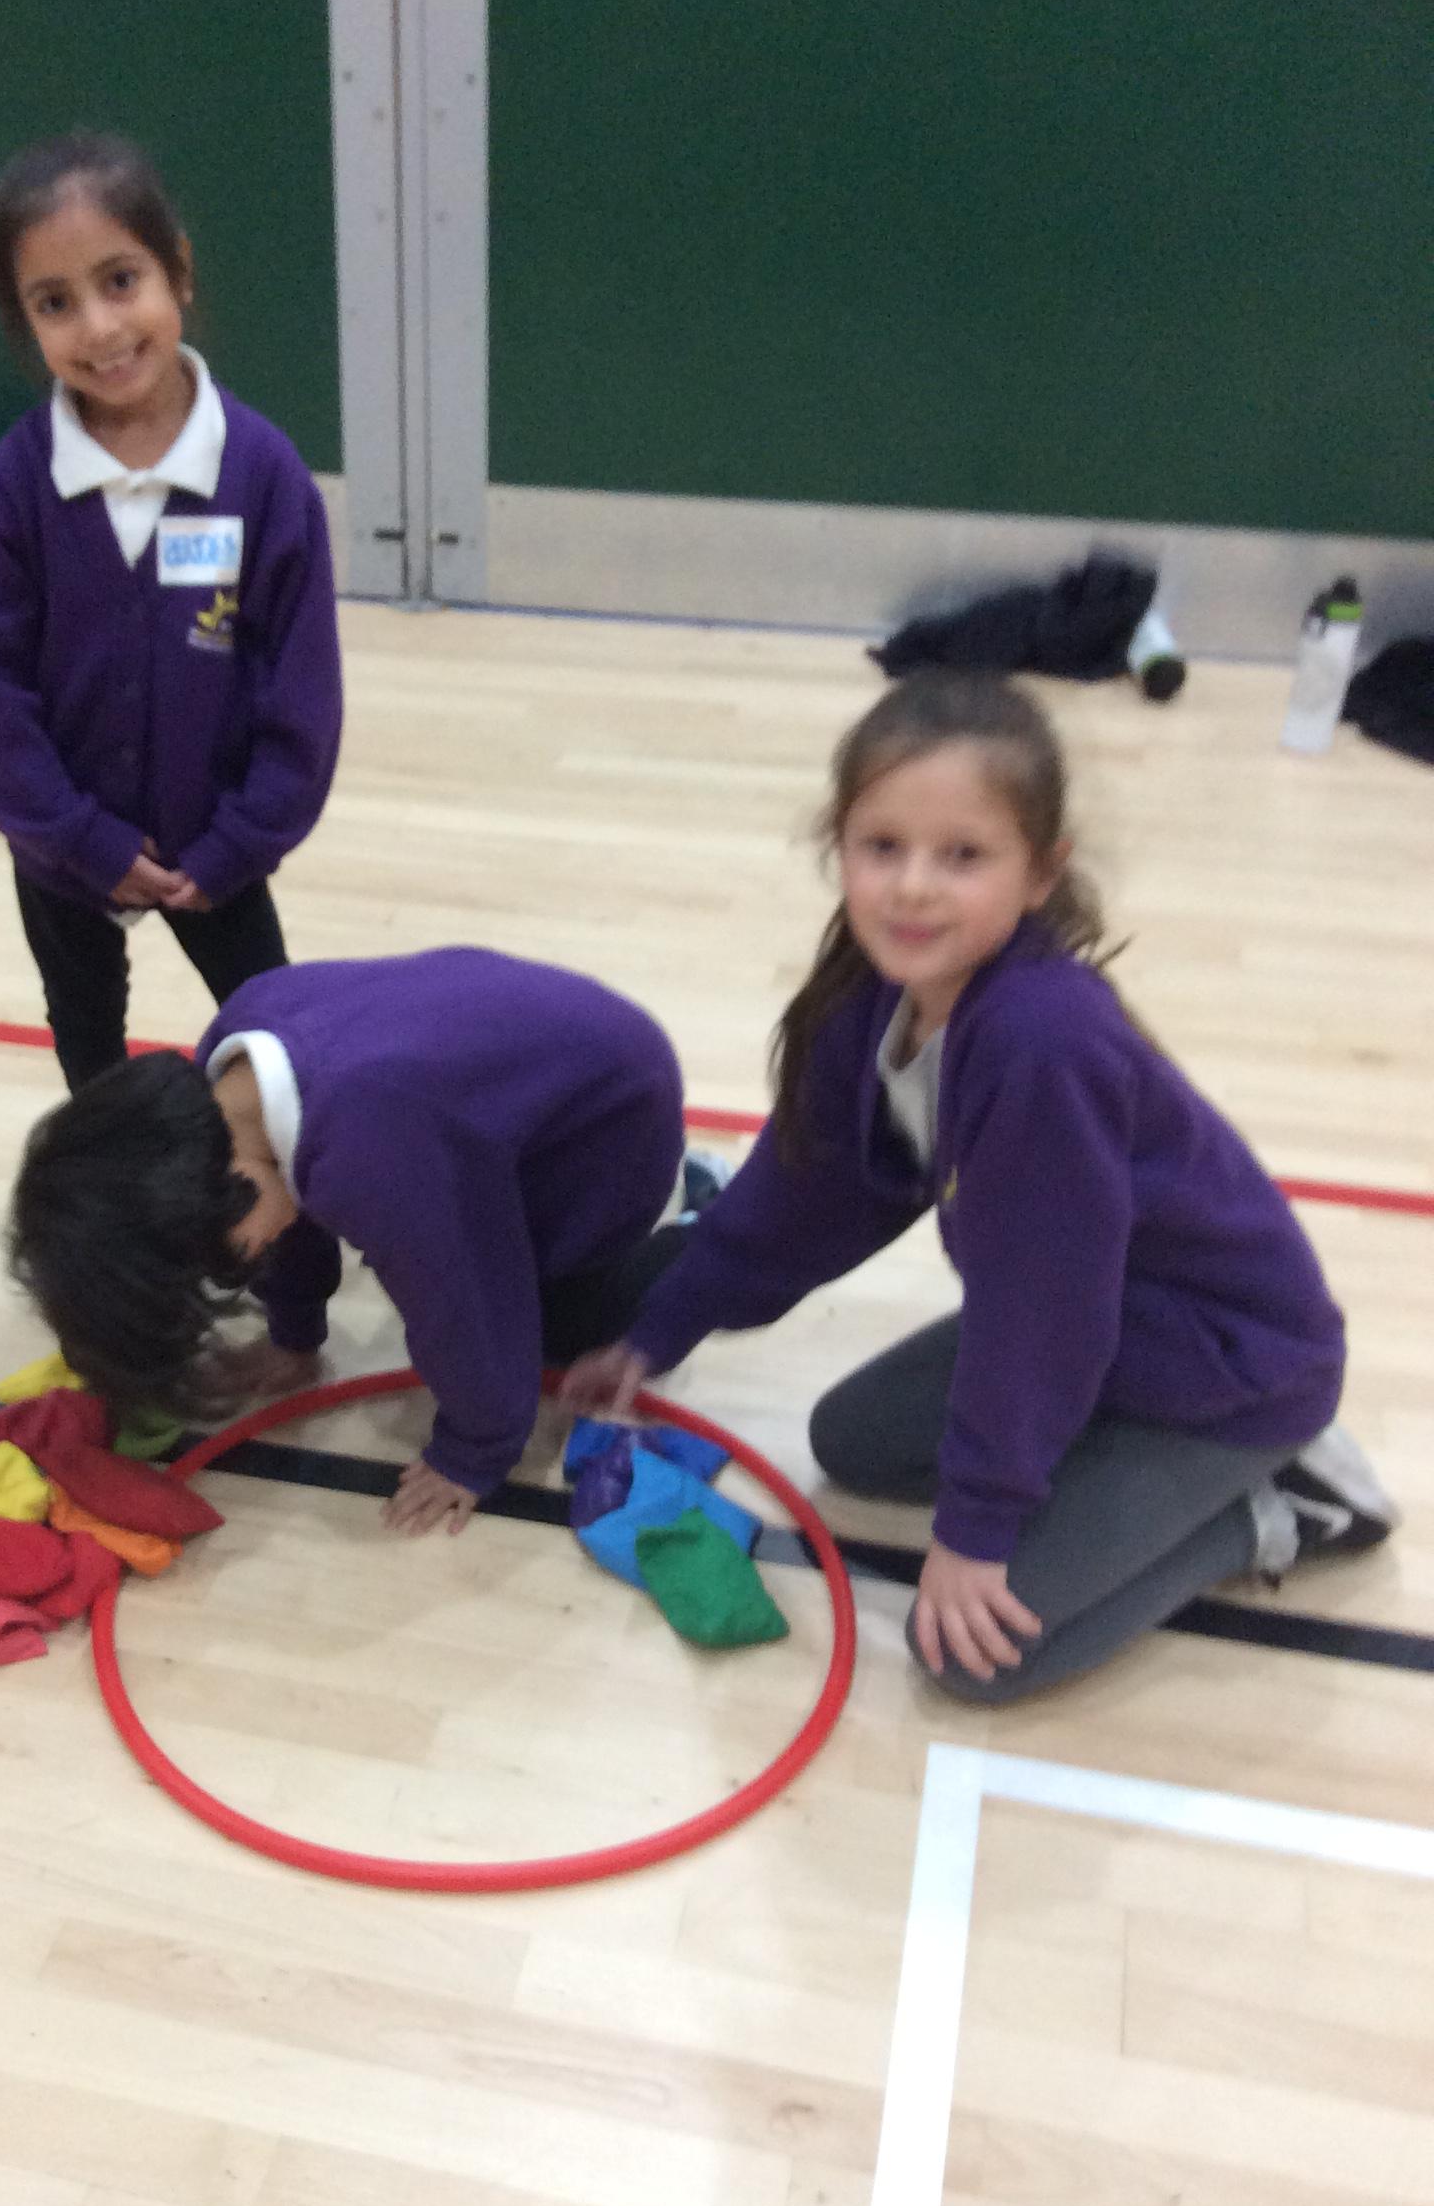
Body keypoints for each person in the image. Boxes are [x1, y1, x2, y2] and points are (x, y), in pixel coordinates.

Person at [564, 669, 1395, 1703]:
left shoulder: (1040, 1042)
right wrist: (660, 1329)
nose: (912, 887)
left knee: (970, 1659)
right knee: (849, 1445)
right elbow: (805, 1191)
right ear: (838, 847)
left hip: (1230, 1371)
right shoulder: (875, 988)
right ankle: (1110, 1466)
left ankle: (1282, 1507)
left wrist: (979, 1527)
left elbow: (1040, 1314)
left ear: (1041, 873)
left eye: (963, 856)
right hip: (1100, 1329)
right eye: (883, 847)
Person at [8, 947, 704, 1535]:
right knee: (404, 1213)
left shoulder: (374, 1150)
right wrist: (293, 1335)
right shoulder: (227, 1086)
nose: (230, 1272)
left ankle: (702, 1225)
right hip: (514, 1080)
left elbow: (466, 1302)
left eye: (224, 1261)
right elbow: (287, 1197)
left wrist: (474, 1449)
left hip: (608, 1123)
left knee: (558, 1330)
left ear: (225, 1182)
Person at [0, 131, 341, 1091]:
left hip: (219, 852)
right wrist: (76, 837)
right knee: (86, 1036)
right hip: (62, 857)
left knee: (275, 1037)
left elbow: (302, 692)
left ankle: (297, 1174)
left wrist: (241, 842)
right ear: (23, 320)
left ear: (180, 272)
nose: (98, 328)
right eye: (55, 302)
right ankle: (108, 1178)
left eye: (121, 281)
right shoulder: (17, 487)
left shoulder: (264, 476)